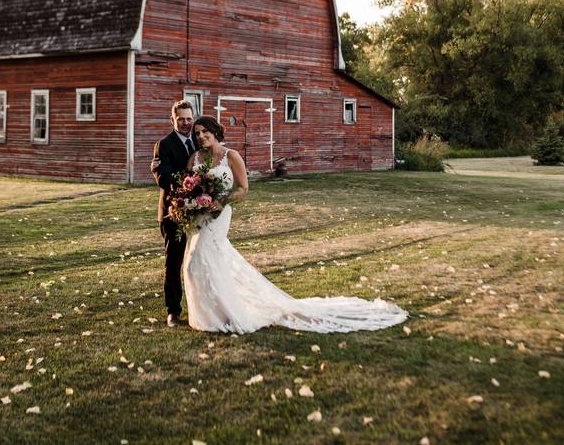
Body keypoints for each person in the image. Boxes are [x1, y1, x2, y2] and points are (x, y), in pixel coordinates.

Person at [182, 115, 408, 334]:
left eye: (205, 132)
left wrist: (221, 201)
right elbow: (186, 186)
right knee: (200, 262)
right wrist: (192, 201)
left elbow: (243, 188)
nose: (201, 136)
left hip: (220, 214)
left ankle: (226, 313)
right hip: (198, 216)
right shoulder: (195, 159)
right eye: (197, 133)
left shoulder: (230, 156)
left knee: (199, 259)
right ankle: (211, 314)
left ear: (215, 132)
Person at [151, 100, 196, 327]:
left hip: (199, 211)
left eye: (189, 118)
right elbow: (163, 178)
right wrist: (187, 189)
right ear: (173, 120)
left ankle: (202, 306)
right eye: (181, 119)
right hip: (173, 212)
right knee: (174, 261)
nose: (186, 123)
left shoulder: (199, 140)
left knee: (199, 259)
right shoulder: (164, 144)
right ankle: (173, 311)